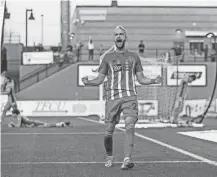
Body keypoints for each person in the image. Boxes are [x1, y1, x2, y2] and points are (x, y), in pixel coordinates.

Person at [82, 25, 162, 170]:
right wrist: (89, 82)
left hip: (130, 97)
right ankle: (109, 156)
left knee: (130, 126)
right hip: (112, 97)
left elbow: (141, 78)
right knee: (108, 133)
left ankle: (127, 159)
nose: (118, 36)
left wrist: (152, 80)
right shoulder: (107, 57)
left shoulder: (134, 56)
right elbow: (100, 79)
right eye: (116, 35)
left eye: (121, 34)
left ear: (125, 37)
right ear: (114, 38)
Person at [8, 109, 72, 128]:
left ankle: (62, 123)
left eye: (12, 113)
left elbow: (18, 126)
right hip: (34, 123)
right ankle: (62, 124)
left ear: (15, 113)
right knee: (47, 125)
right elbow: (24, 124)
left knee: (47, 125)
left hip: (35, 123)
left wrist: (13, 124)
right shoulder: (20, 116)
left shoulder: (19, 116)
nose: (12, 114)